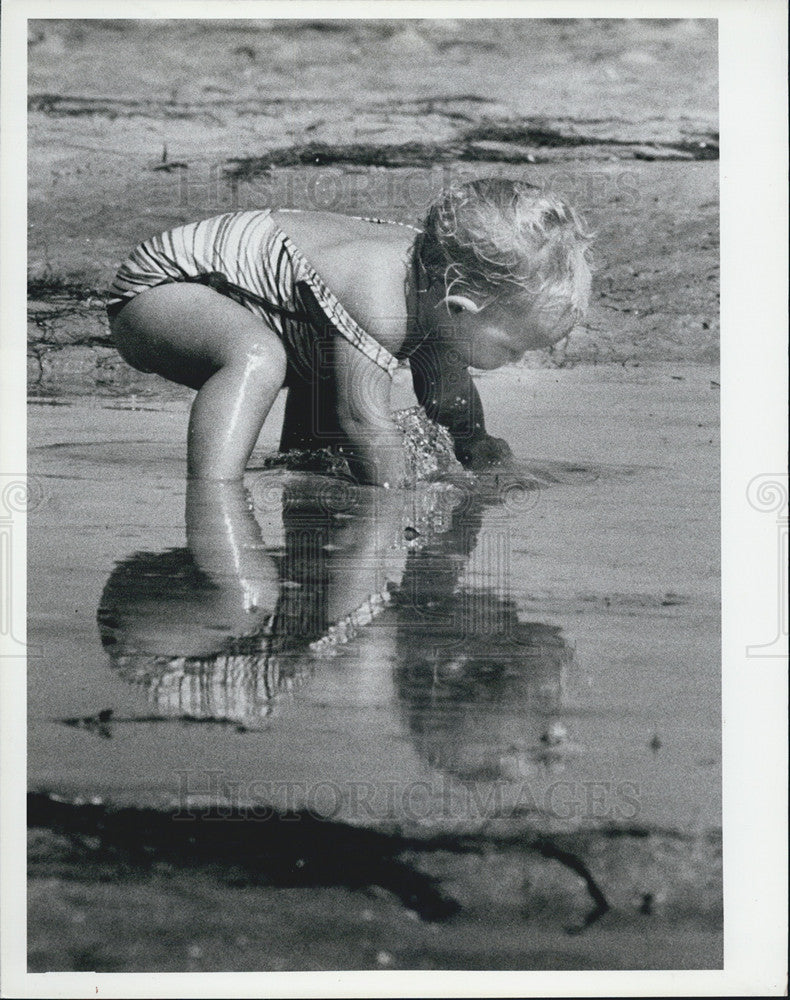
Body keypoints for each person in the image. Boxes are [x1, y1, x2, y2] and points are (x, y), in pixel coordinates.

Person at [107, 178, 592, 486]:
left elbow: (455, 418)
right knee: (258, 357)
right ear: (460, 307)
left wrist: (483, 456)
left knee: (324, 444)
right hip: (161, 292)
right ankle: (213, 497)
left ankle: (304, 490)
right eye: (512, 349)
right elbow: (365, 423)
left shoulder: (435, 298)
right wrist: (397, 499)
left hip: (268, 307)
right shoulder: (381, 299)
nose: (519, 361)